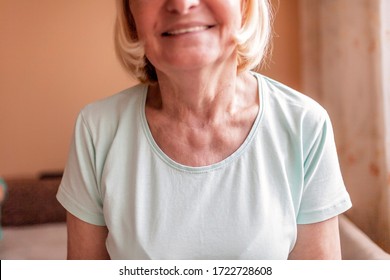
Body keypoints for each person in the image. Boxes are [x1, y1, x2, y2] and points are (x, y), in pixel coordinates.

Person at [57, 0, 352, 260]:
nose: (182, 4)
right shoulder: (96, 129)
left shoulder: (305, 125)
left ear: (245, 5)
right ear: (131, 15)